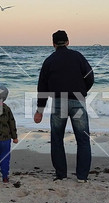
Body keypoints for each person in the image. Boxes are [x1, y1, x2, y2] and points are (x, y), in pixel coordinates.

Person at [34, 30, 95, 182]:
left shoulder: (49, 60)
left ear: (53, 44)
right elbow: (90, 77)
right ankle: (82, 177)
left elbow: (42, 87)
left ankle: (61, 174)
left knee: (57, 139)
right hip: (78, 101)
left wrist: (39, 110)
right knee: (83, 139)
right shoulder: (78, 56)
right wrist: (81, 92)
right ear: (68, 42)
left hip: (59, 102)